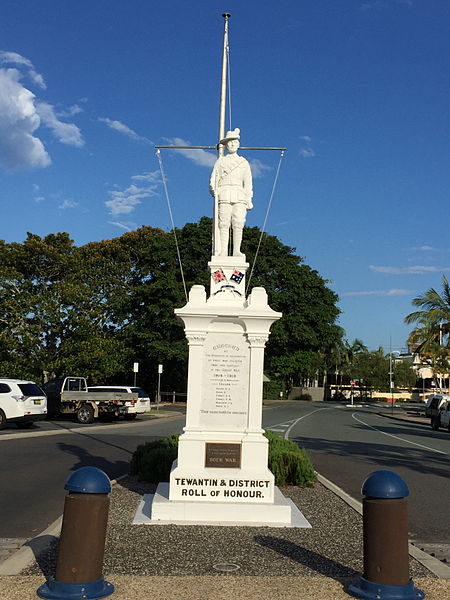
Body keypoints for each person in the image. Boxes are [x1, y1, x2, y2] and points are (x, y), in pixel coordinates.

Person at [209, 128, 253, 257]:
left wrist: (249, 198)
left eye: (235, 142)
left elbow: (248, 183)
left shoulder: (244, 163)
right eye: (230, 142)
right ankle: (223, 251)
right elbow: (213, 178)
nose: (233, 144)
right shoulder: (220, 161)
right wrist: (213, 188)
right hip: (223, 193)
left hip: (239, 194)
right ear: (226, 145)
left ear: (238, 144)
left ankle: (236, 251)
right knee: (224, 223)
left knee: (238, 222)